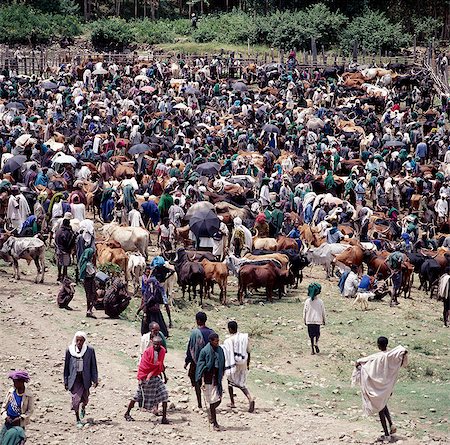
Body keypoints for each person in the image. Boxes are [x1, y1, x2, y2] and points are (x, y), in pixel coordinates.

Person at [353, 337, 408, 443]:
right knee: (383, 405)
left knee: (380, 409)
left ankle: (387, 434)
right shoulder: (390, 357)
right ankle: (391, 424)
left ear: (378, 345)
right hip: (386, 387)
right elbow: (401, 353)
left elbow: (363, 363)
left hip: (377, 388)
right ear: (386, 344)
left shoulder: (377, 357)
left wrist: (359, 366)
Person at [124, 336, 169, 424]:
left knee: (164, 395)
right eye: (155, 344)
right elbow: (143, 366)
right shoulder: (147, 352)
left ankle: (164, 418)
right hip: (145, 378)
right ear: (152, 343)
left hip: (155, 377)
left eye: (158, 345)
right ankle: (127, 413)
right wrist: (142, 378)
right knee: (137, 396)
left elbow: (160, 365)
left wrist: (164, 375)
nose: (156, 346)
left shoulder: (162, 351)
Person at [63, 332, 98, 428]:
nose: (79, 342)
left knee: (85, 399)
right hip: (74, 380)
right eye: (77, 340)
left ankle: (83, 407)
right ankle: (78, 419)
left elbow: (93, 365)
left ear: (84, 341)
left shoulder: (89, 350)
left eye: (81, 340)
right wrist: (65, 381)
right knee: (75, 400)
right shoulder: (69, 350)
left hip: (85, 379)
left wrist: (95, 379)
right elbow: (66, 367)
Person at [222, 321, 255, 413]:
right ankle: (249, 398)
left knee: (230, 382)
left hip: (234, 363)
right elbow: (248, 351)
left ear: (230, 329)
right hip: (243, 362)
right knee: (241, 383)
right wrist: (248, 364)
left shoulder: (229, 341)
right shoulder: (244, 338)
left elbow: (227, 354)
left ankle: (232, 402)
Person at [184, 312, 215, 409]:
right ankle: (211, 402)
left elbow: (191, 348)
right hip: (209, 361)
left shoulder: (195, 333)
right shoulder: (211, 332)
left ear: (198, 320)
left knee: (196, 380)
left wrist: (187, 360)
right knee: (209, 381)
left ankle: (199, 403)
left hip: (197, 362)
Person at [195, 333, 225, 431]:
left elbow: (222, 361)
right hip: (207, 379)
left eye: (218, 341)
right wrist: (201, 379)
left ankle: (211, 414)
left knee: (219, 399)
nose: (217, 342)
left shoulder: (220, 350)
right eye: (216, 341)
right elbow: (200, 365)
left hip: (217, 379)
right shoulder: (204, 351)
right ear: (211, 341)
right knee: (212, 401)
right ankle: (215, 422)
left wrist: (221, 372)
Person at [0, 370, 34, 445]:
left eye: (15, 382)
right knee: (3, 440)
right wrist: (5, 417)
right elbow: (4, 407)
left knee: (17, 441)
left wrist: (20, 418)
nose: (14, 384)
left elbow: (30, 411)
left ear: (21, 382)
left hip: (19, 424)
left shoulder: (28, 395)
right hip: (8, 422)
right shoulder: (11, 392)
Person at [138, 267, 169, 337]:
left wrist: (140, 309)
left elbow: (148, 298)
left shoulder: (151, 282)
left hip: (150, 307)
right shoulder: (157, 285)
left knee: (147, 325)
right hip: (154, 308)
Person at [303, 283, 326, 355]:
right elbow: (323, 312)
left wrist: (304, 320)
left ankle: (312, 349)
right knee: (317, 333)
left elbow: (304, 312)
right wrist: (324, 320)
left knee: (311, 336)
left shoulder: (307, 301)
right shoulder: (320, 301)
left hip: (309, 321)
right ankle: (316, 342)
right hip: (317, 320)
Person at [54, 218, 75, 282]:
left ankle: (59, 275)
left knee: (59, 263)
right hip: (65, 251)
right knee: (65, 265)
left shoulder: (59, 230)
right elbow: (69, 241)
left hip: (58, 249)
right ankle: (64, 277)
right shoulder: (67, 232)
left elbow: (55, 239)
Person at [78, 247, 97, 318]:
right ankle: (89, 310)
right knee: (93, 296)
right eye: (92, 254)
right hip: (90, 281)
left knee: (88, 296)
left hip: (86, 281)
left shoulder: (83, 262)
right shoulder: (88, 264)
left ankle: (88, 310)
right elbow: (93, 273)